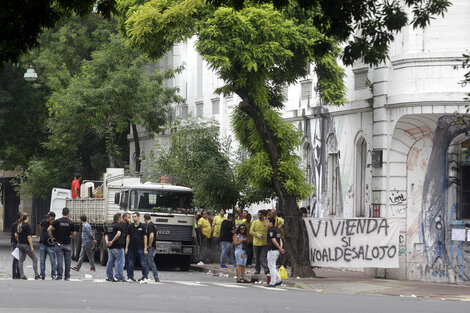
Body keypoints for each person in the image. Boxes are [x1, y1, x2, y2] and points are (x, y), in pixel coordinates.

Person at [48, 207, 76, 281]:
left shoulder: (57, 221)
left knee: (59, 260)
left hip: (59, 244)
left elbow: (48, 229)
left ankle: (59, 276)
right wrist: (70, 234)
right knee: (68, 261)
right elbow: (74, 234)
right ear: (68, 213)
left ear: (62, 213)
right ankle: (67, 276)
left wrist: (52, 238)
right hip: (67, 244)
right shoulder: (70, 222)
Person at [16, 213, 40, 280]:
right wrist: (31, 247)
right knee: (35, 259)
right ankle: (36, 274)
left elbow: (18, 235)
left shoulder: (19, 225)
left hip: (20, 244)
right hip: (26, 245)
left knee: (21, 260)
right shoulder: (27, 226)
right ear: (27, 218)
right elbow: (29, 237)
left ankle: (22, 274)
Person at [125, 212, 149, 282]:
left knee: (143, 263)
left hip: (140, 248)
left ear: (138, 217)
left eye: (135, 216)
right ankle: (130, 277)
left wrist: (145, 248)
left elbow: (145, 237)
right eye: (132, 217)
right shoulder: (130, 226)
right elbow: (128, 237)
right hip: (131, 248)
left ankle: (145, 276)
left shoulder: (143, 227)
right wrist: (126, 247)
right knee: (130, 263)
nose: (133, 218)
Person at [105, 213, 125, 282]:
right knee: (120, 262)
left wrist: (107, 242)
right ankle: (119, 276)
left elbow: (106, 235)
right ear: (119, 219)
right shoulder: (119, 225)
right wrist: (112, 241)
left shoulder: (109, 226)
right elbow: (118, 234)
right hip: (118, 246)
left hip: (110, 247)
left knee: (110, 261)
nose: (122, 219)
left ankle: (109, 276)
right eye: (121, 218)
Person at [266, 217, 285, 287]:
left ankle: (272, 282)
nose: (266, 223)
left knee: (271, 266)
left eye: (267, 221)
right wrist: (280, 248)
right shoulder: (277, 230)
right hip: (276, 250)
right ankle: (278, 280)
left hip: (272, 250)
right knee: (271, 265)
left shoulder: (271, 230)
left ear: (271, 222)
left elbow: (273, 240)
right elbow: (280, 240)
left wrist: (279, 248)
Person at [250, 209, 268, 275]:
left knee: (263, 257)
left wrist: (267, 236)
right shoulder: (255, 222)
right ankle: (257, 270)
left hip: (264, 243)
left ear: (264, 216)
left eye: (261, 215)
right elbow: (251, 231)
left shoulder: (266, 222)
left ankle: (266, 269)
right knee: (256, 257)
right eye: (259, 215)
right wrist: (257, 235)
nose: (259, 216)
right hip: (256, 243)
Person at [39, 212, 57, 280]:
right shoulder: (44, 222)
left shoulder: (55, 224)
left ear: (52, 218)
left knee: (53, 261)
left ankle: (53, 274)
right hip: (43, 244)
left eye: (48, 217)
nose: (47, 218)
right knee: (42, 261)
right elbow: (40, 226)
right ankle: (42, 274)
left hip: (51, 246)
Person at [144, 213, 160, 282]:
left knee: (150, 261)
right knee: (147, 261)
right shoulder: (154, 225)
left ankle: (156, 276)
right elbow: (157, 234)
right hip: (153, 246)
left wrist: (149, 244)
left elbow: (152, 235)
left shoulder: (149, 225)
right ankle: (145, 276)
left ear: (144, 218)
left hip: (150, 246)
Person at [11, 213, 20, 279]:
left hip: (14, 242)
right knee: (16, 259)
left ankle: (17, 273)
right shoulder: (17, 224)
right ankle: (15, 274)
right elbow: (16, 234)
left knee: (17, 259)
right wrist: (19, 242)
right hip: (16, 243)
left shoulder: (15, 224)